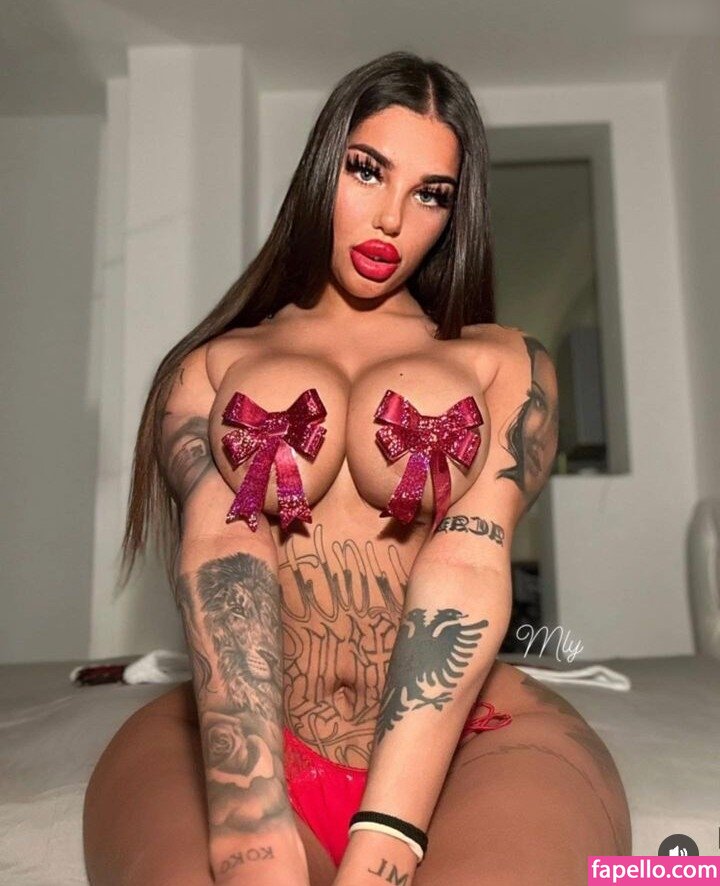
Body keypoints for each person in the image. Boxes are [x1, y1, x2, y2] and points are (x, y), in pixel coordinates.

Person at [83, 51, 631, 885]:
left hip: (470, 747)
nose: (392, 219)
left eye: (431, 194)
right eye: (367, 171)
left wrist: (388, 834)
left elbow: (467, 562)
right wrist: (248, 824)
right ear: (321, 168)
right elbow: (224, 553)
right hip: (252, 739)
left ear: (455, 212)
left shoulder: (505, 365)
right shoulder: (211, 366)